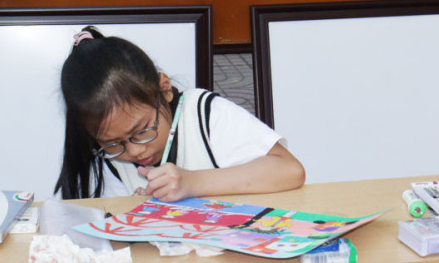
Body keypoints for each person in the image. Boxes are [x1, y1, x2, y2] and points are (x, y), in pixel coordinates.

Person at [54, 26, 305, 200]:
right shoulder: (110, 157)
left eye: (142, 131)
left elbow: (290, 170)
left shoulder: (204, 115)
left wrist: (192, 183)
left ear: (164, 89)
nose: (135, 151)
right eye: (113, 143)